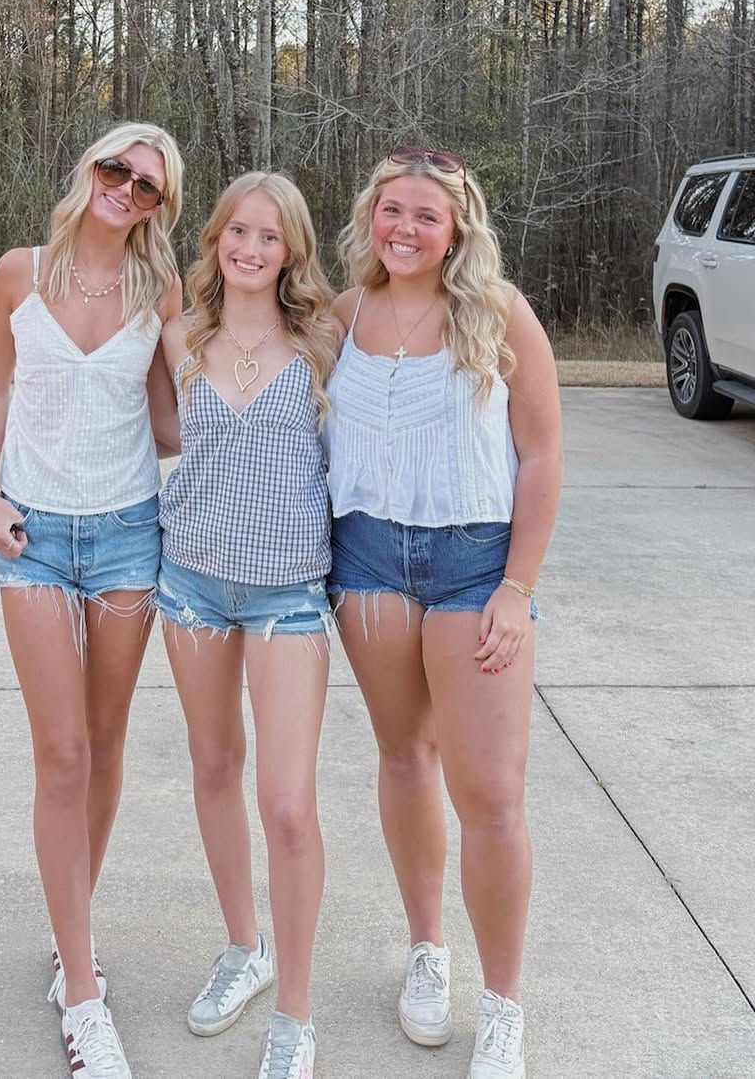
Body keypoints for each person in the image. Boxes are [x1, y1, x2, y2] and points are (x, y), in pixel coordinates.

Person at [326, 147, 563, 1079]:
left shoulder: (499, 313)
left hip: (475, 565)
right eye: (393, 210)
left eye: (427, 214)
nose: (407, 228)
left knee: (491, 794)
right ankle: (427, 948)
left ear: (457, 226)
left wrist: (517, 586)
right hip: (367, 560)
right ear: (370, 217)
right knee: (403, 754)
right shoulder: (343, 314)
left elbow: (542, 456)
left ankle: (502, 1003)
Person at [0, 123, 183, 1079]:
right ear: (89, 167)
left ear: (159, 206)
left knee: (103, 743)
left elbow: (176, 415)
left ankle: (72, 939)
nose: (125, 188)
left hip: (129, 536)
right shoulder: (19, 271)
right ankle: (85, 997)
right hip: (35, 540)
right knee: (60, 752)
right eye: (115, 168)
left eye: (147, 185)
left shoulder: (160, 287)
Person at [155, 171, 341, 1079]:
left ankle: (295, 1015)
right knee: (214, 765)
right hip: (189, 584)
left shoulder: (325, 340)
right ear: (215, 238)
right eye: (238, 230)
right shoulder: (180, 334)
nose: (252, 248)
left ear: (292, 249)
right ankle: (245, 947)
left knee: (289, 803)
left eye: (270, 235)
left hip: (288, 596)